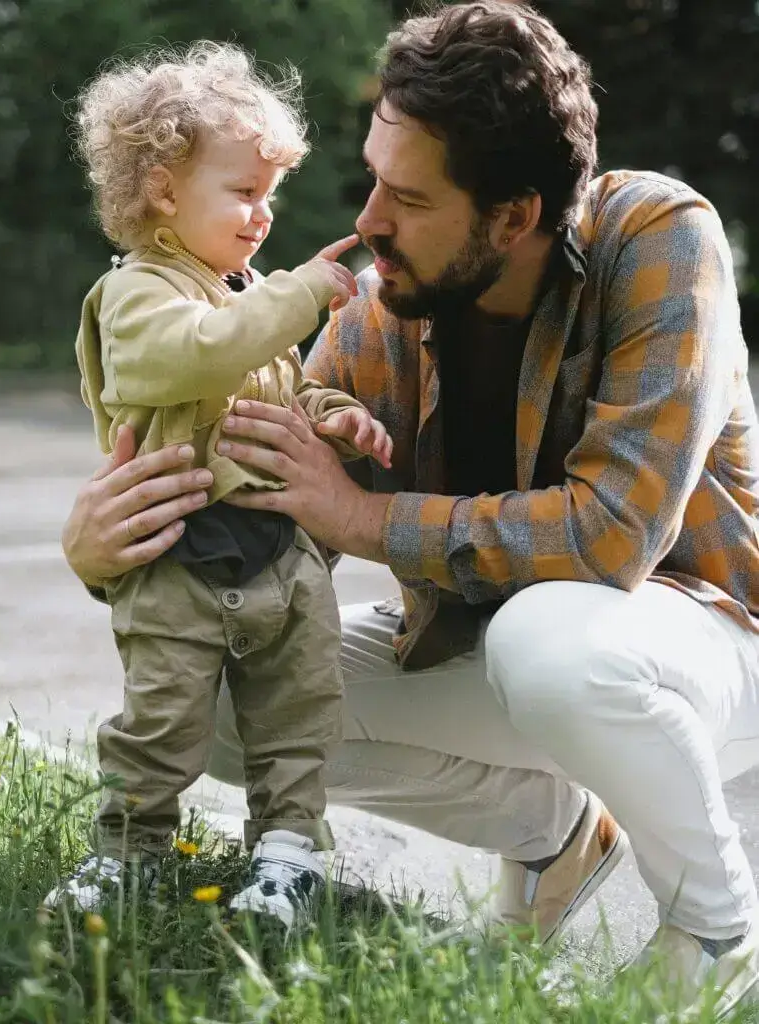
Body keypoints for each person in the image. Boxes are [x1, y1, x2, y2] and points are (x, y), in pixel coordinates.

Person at [61, 2, 759, 1015]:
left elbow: (611, 535)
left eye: (409, 196)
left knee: (548, 641)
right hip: (486, 647)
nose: (369, 218)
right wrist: (103, 548)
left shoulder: (655, 238)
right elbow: (277, 508)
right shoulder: (384, 301)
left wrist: (361, 519)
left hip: (696, 639)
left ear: (511, 215)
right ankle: (556, 834)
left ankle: (712, 923)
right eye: (373, 177)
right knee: (225, 702)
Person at [45, 40, 394, 929]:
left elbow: (269, 375)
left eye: (270, 195)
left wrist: (331, 412)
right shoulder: (140, 293)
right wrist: (303, 293)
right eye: (244, 192)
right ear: (164, 190)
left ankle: (286, 856)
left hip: (278, 559)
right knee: (160, 725)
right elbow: (191, 357)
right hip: (177, 564)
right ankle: (128, 852)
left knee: (299, 718)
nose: (263, 215)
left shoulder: (236, 294)